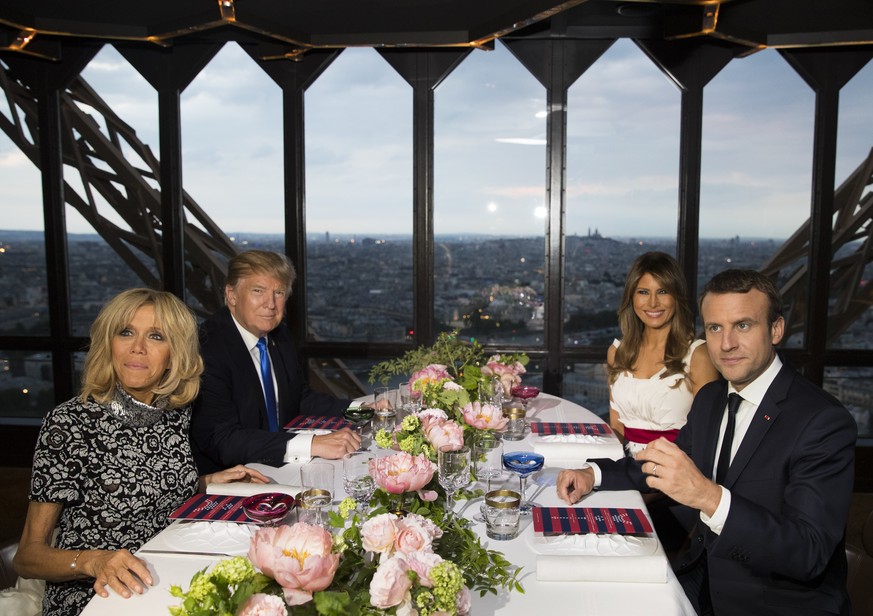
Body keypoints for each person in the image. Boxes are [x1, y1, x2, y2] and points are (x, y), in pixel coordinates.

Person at [557, 269, 856, 615]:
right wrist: (595, 475)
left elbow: (808, 552)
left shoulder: (822, 421)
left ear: (776, 330)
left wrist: (708, 497)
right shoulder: (713, 397)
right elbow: (672, 465)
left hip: (773, 603)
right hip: (703, 578)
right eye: (715, 328)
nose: (726, 343)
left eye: (743, 325)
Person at [13, 289, 269, 616]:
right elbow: (27, 556)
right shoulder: (69, 424)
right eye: (126, 332)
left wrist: (206, 481)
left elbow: (147, 487)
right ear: (109, 343)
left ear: (174, 354)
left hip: (164, 578)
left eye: (156, 336)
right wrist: (94, 560)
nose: (137, 347)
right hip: (96, 597)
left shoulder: (174, 413)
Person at [190, 250, 362, 474]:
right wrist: (311, 445)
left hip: (280, 463)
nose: (270, 304)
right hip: (235, 476)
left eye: (279, 292)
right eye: (258, 291)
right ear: (231, 295)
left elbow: (299, 398)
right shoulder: (207, 349)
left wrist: (360, 409)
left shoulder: (279, 336)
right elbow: (223, 440)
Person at [608, 252, 719, 454]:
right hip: (623, 470)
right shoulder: (617, 352)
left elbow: (707, 436)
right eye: (643, 292)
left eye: (662, 292)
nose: (652, 303)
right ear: (631, 297)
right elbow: (616, 427)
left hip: (675, 471)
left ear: (677, 297)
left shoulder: (698, 356)